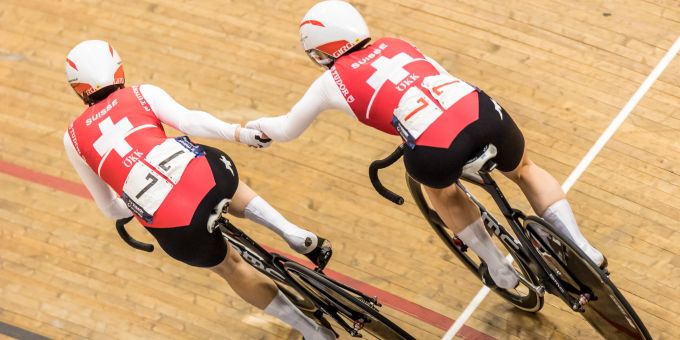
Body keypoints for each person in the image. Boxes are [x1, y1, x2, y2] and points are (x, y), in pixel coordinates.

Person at [245, 0, 605, 290]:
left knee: (441, 192)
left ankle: (498, 267)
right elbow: (438, 76)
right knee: (524, 170)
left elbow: (287, 129)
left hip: (435, 145)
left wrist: (257, 128)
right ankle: (583, 247)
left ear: (321, 51)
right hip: (479, 111)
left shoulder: (330, 82)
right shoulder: (397, 43)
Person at [62, 40, 334, 339]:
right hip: (208, 177)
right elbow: (190, 121)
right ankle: (291, 232)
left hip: (176, 225)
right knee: (201, 163)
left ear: (78, 88)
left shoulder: (72, 139)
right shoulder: (141, 93)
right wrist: (239, 133)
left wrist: (138, 197)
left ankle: (314, 332)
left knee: (231, 267)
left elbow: (110, 208)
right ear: (119, 70)